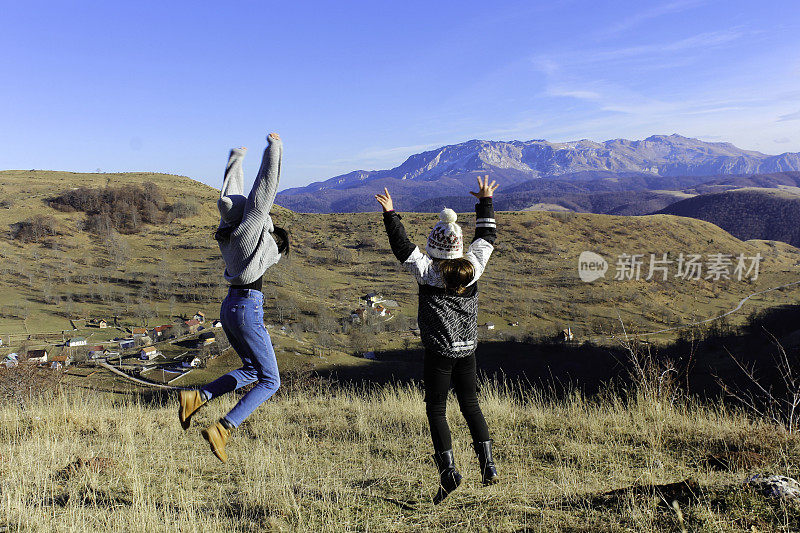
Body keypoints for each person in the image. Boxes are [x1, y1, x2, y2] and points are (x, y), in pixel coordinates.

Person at [375, 176, 499, 504]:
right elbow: (486, 237)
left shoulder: (428, 271)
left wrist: (391, 213)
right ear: (459, 246)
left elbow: (402, 247)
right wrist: (485, 201)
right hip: (468, 349)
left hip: (439, 351)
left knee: (436, 410)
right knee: (471, 404)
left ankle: (449, 472)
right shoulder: (473, 266)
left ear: (433, 245)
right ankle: (488, 465)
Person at [178, 132, 289, 463]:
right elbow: (262, 191)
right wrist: (274, 149)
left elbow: (231, 196)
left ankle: (197, 397)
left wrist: (236, 160)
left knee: (253, 371)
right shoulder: (249, 229)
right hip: (247, 307)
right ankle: (223, 428)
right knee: (270, 380)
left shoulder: (228, 233)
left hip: (230, 306)